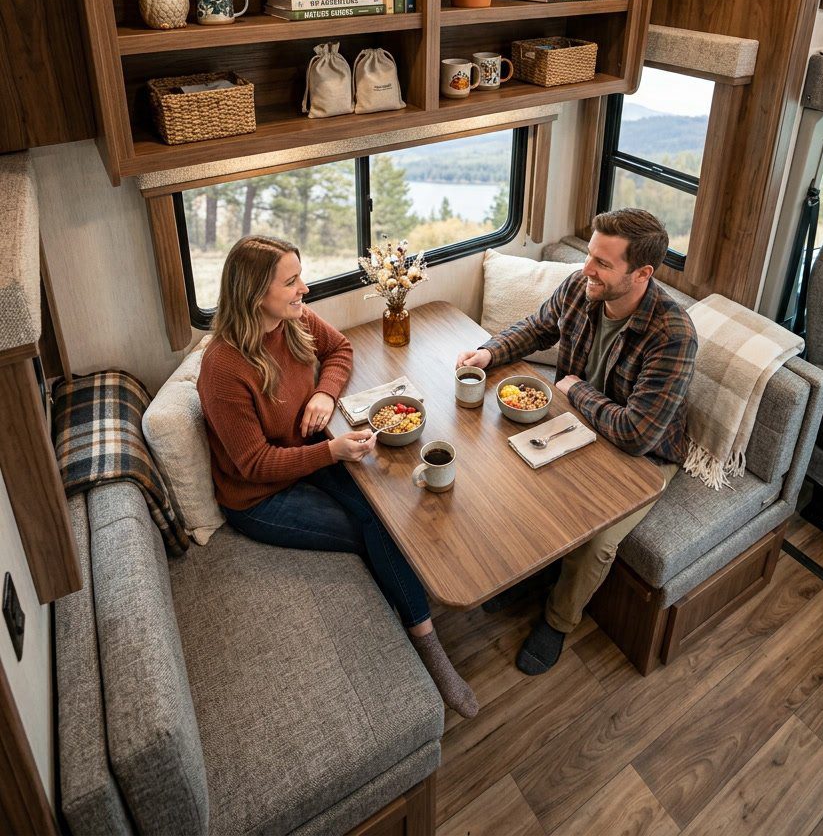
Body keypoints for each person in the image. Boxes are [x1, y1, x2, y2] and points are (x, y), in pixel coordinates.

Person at [198, 235, 477, 718]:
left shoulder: (293, 320)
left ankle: (426, 603)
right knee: (375, 532)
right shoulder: (223, 368)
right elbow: (254, 464)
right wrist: (330, 451)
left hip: (307, 452)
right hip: (259, 496)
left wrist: (324, 394)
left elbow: (340, 349)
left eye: (300, 276)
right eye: (291, 281)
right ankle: (429, 646)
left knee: (385, 510)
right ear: (255, 294)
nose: (304, 289)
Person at [456, 208, 697, 675]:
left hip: (645, 456)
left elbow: (636, 434)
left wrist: (576, 389)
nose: (587, 269)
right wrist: (488, 351)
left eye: (603, 263)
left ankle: (558, 620)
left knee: (596, 541)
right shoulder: (580, 287)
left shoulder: (674, 335)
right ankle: (532, 572)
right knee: (512, 468)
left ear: (642, 273)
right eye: (590, 256)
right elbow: (538, 327)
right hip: (579, 422)